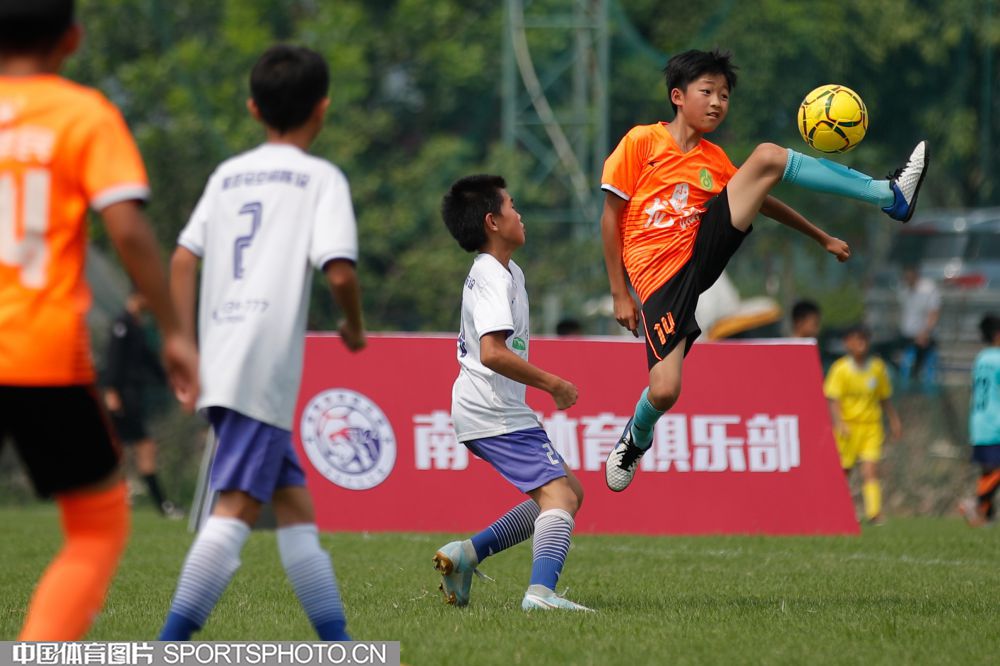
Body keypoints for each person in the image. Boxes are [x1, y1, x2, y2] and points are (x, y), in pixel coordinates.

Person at [599, 48, 928, 492]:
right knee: (664, 390)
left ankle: (889, 196)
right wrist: (620, 292)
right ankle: (635, 439)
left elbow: (761, 198)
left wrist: (820, 236)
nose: (717, 102)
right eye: (707, 92)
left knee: (769, 157)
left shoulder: (714, 160)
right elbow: (610, 215)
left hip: (702, 250)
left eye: (725, 95)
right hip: (660, 280)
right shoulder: (641, 141)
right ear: (677, 96)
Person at [0, 0, 198, 640]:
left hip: (38, 353)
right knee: (95, 525)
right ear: (73, 39)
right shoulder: (83, 115)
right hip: (37, 352)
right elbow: (129, 231)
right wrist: (172, 329)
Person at [159, 44, 365, 641]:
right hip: (261, 363)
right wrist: (352, 326)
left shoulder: (228, 175)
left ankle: (340, 647)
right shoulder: (320, 177)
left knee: (296, 513)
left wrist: (180, 340)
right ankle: (166, 646)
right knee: (236, 511)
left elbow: (181, 258)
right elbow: (342, 272)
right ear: (322, 109)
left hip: (223, 351)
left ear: (253, 108)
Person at [433, 175, 590, 612]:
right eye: (512, 206)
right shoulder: (489, 275)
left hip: (493, 407)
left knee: (569, 492)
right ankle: (540, 594)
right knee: (560, 497)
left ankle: (467, 553)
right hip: (491, 410)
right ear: (493, 222)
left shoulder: (509, 271)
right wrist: (553, 384)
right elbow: (492, 353)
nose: (519, 214)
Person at [105, 290, 183, 518]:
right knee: (137, 448)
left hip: (133, 395)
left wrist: (171, 381)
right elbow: (113, 358)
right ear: (138, 296)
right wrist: (111, 391)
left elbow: (149, 360)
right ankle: (157, 504)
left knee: (138, 448)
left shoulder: (137, 326)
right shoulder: (122, 324)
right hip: (123, 395)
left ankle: (149, 503)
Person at [824, 325, 902, 525]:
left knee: (870, 470)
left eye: (864, 339)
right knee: (843, 471)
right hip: (848, 427)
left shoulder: (877, 368)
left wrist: (894, 420)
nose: (861, 344)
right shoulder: (840, 369)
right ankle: (835, 510)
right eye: (856, 339)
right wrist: (839, 422)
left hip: (871, 427)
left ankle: (874, 513)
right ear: (847, 342)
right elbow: (834, 399)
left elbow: (884, 398)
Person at [958, 314, 1000, 527]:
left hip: (979, 422)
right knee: (995, 471)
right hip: (996, 422)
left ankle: (985, 517)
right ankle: (975, 502)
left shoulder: (981, 358)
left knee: (988, 472)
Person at [897, 265, 940, 389]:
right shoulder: (903, 289)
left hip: (926, 338)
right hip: (908, 337)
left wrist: (925, 333)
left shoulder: (928, 289)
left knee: (928, 373)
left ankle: (928, 398)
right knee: (906, 369)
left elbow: (934, 313)